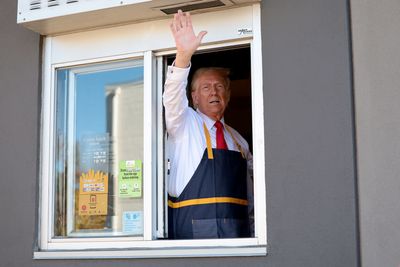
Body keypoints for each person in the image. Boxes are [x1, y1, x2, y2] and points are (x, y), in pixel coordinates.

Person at [163, 10, 253, 239]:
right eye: (206, 87)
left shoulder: (239, 141)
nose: (214, 91)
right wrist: (183, 57)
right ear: (194, 97)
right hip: (192, 240)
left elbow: (251, 198)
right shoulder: (184, 124)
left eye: (220, 86)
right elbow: (172, 98)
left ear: (228, 95)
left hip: (238, 240)